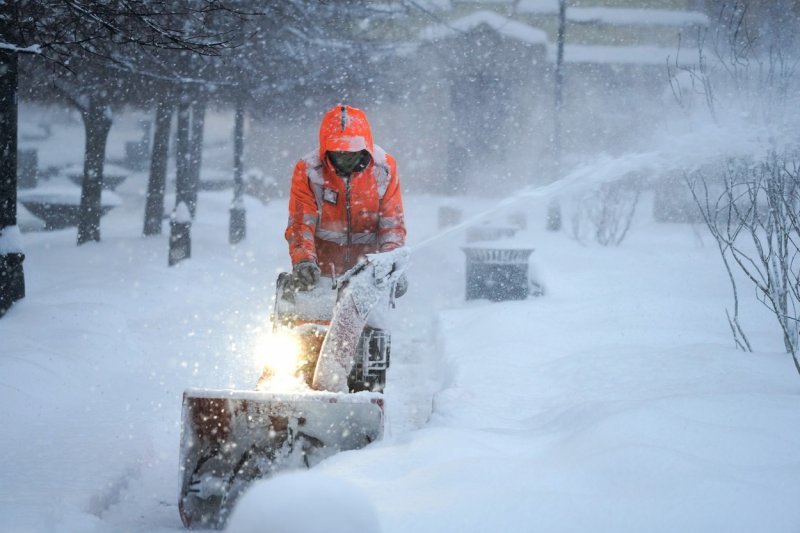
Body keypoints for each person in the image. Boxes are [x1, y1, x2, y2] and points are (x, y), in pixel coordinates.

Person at [285, 104, 408, 297]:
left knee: (369, 327)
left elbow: (392, 226)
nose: (346, 160)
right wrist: (304, 261)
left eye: (352, 154)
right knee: (304, 326)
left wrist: (391, 264)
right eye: (339, 153)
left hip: (369, 279)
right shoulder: (309, 171)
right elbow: (300, 224)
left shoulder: (384, 169)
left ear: (365, 147)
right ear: (327, 150)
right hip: (320, 277)